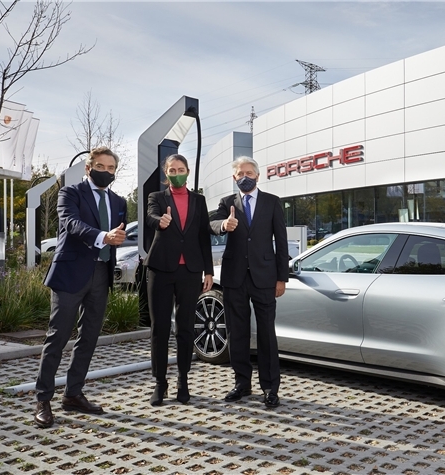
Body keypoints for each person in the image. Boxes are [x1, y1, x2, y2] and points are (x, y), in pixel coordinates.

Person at [34, 147, 127, 428]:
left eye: (111, 168)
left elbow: (118, 234)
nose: (106, 171)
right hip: (70, 274)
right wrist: (103, 236)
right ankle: (43, 399)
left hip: (101, 275)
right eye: (101, 166)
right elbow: (71, 224)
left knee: (89, 339)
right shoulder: (70, 193)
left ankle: (73, 394)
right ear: (89, 168)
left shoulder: (119, 201)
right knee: (58, 338)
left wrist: (117, 238)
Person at [209, 156, 288, 408]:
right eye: (240, 173)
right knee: (237, 333)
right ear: (234, 178)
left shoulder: (272, 202)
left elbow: (282, 242)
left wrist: (281, 277)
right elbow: (210, 224)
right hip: (234, 277)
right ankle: (242, 383)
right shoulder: (227, 203)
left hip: (265, 278)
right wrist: (224, 224)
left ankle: (270, 388)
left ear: (257, 175)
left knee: (266, 334)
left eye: (249, 172)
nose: (245, 176)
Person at [143, 154, 214, 406]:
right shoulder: (157, 197)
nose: (176, 173)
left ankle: (183, 380)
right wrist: (160, 221)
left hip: (190, 271)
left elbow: (203, 235)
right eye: (172, 170)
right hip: (161, 269)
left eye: (180, 169)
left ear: (187, 170)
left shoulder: (198, 200)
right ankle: (160, 383)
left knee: (185, 328)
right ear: (166, 173)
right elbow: (150, 217)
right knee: (159, 328)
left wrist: (208, 271)